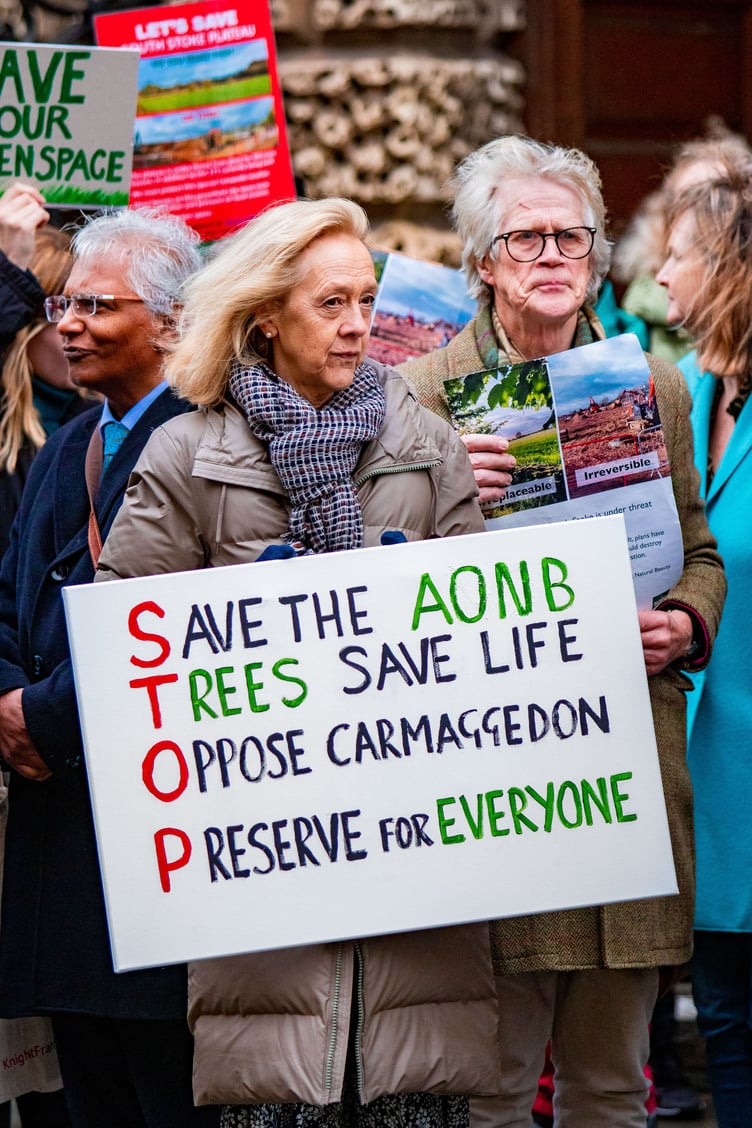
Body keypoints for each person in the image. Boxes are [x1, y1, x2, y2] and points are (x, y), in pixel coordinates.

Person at [94, 196, 502, 1126]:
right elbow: (123, 662)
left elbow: (489, 652)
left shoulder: (424, 444)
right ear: (266, 313)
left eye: (367, 298)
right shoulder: (188, 453)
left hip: (417, 927)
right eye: (332, 303)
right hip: (262, 922)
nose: (360, 323)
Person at [400, 134, 726, 1128]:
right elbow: (371, 590)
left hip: (623, 766)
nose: (550, 256)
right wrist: (446, 492)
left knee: (610, 1089)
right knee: (491, 1090)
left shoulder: (653, 388)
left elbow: (699, 555)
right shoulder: (417, 397)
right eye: (524, 238)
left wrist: (682, 622)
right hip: (497, 783)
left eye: (569, 238)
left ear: (593, 258)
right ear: (482, 261)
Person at [0, 207, 219, 1128]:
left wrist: (38, 719)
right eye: (60, 304)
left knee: (159, 1089)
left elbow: (173, 630)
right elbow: (7, 591)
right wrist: (5, 705)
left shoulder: (212, 443)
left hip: (156, 843)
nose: (68, 325)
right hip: (61, 841)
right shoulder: (70, 449)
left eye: (94, 305)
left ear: (169, 322)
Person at [657, 156, 752, 1128]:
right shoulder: (674, 389)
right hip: (699, 775)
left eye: (677, 258)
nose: (660, 281)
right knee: (720, 1018)